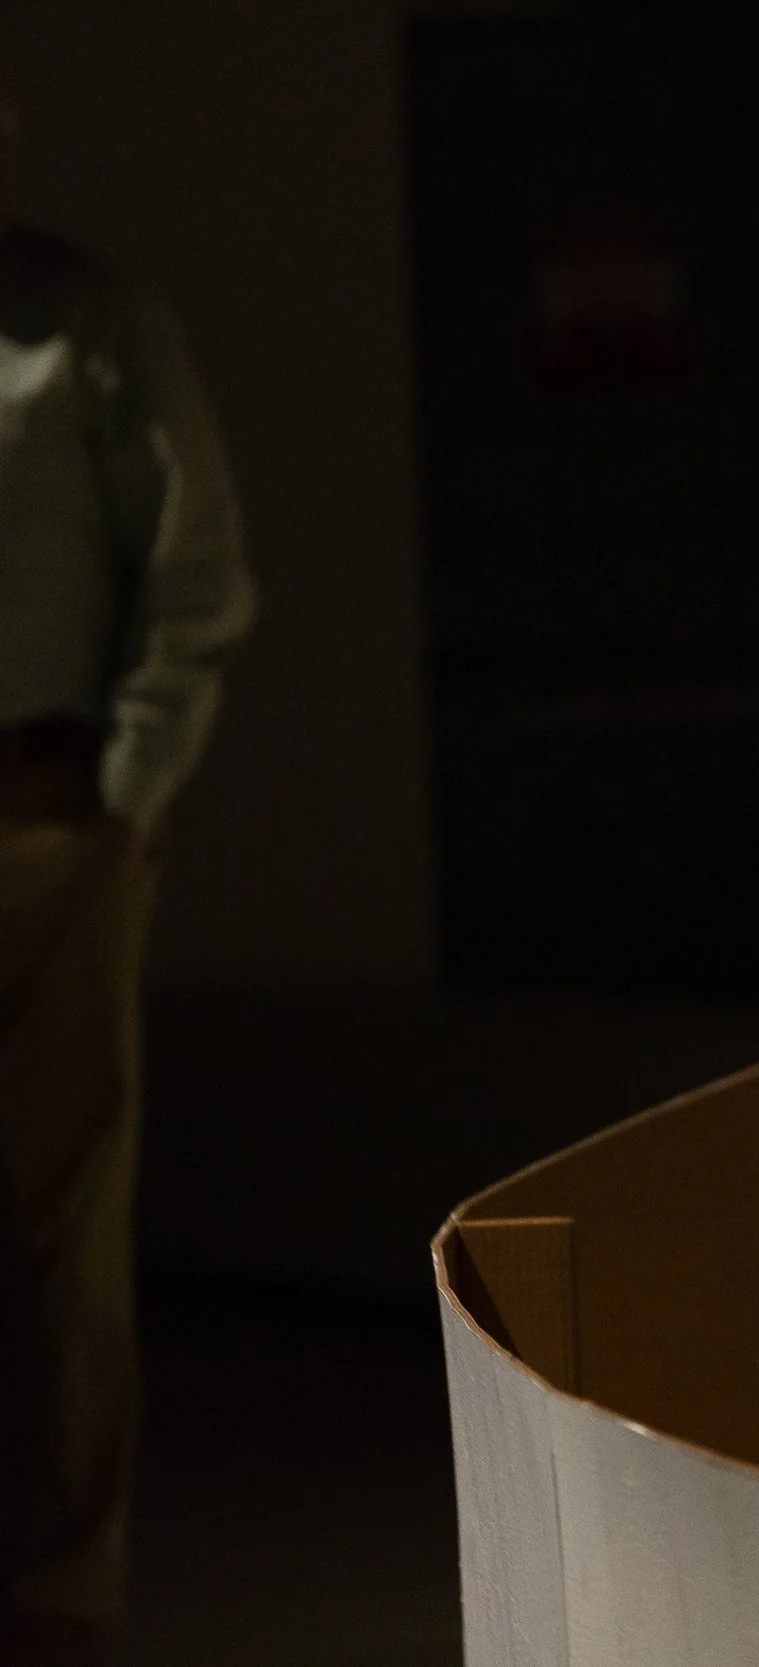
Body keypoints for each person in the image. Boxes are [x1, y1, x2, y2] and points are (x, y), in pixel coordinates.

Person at [0, 92, 255, 1667]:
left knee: (60, 1215)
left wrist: (125, 792)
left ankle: (61, 1588)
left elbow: (192, 563)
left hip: (44, 809)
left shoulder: (86, 322)